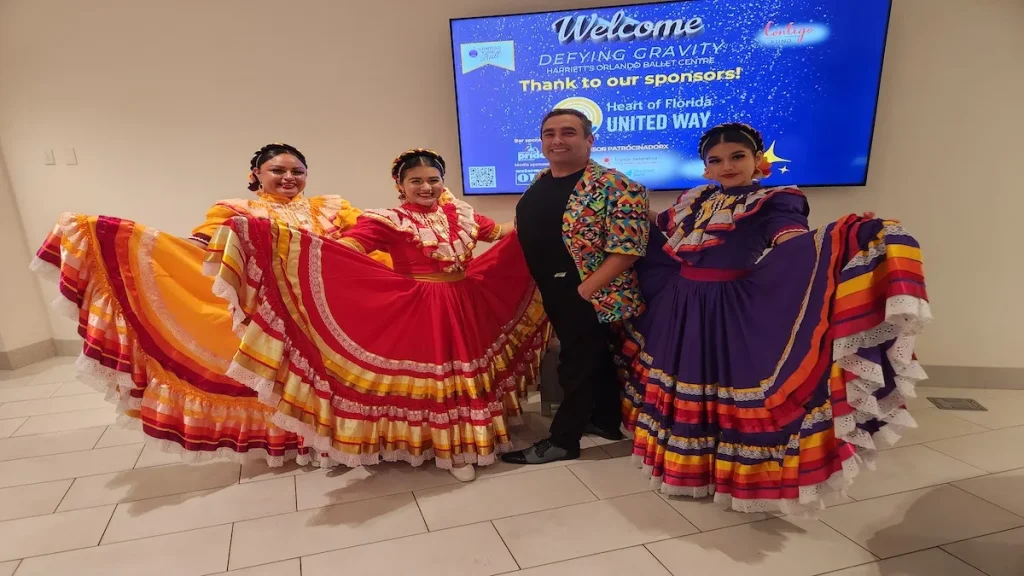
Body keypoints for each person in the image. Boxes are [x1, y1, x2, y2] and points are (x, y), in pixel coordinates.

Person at [617, 123, 931, 513]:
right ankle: (687, 468)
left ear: (757, 161)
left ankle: (734, 476)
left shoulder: (776, 199)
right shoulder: (695, 199)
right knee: (687, 382)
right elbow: (659, 231)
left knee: (729, 384)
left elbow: (792, 243)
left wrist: (849, 236)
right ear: (705, 169)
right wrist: (621, 203)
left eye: (737, 157)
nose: (727, 166)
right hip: (681, 303)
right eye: (716, 160)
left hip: (729, 306)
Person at [203, 149, 550, 482]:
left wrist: (540, 207)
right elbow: (348, 247)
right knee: (439, 378)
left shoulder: (461, 214)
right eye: (415, 181)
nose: (426, 187)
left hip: (465, 300)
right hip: (423, 306)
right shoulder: (388, 220)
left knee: (468, 373)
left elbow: (500, 233)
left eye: (433, 179)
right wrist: (287, 242)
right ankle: (450, 451)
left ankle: (473, 438)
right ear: (400, 185)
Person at [32, 143, 388, 466]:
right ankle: (296, 438)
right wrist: (141, 241)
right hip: (270, 309)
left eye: (297, 171)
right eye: (277, 171)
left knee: (331, 372)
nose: (289, 178)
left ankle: (342, 435)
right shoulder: (237, 209)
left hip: (326, 304)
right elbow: (204, 247)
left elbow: (367, 241)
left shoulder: (331, 207)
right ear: (257, 175)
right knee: (281, 373)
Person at [502, 108, 650, 465]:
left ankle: (562, 441)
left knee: (576, 364)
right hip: (554, 292)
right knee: (594, 359)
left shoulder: (619, 185)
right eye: (549, 133)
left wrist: (584, 291)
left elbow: (628, 250)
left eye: (568, 132)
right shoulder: (542, 179)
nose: (557, 140)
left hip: (592, 294)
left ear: (589, 140)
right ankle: (605, 421)